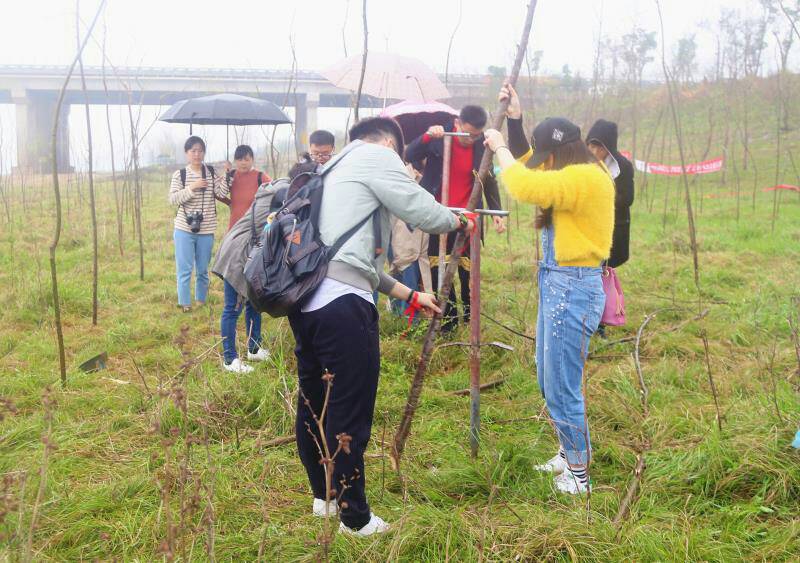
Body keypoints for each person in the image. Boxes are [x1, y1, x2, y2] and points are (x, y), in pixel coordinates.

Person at [289, 117, 476, 536]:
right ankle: (355, 518)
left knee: (315, 403)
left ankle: (325, 498)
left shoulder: (334, 166)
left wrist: (410, 295)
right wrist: (459, 220)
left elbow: (356, 262)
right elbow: (421, 211)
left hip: (308, 303)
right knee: (349, 409)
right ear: (390, 143)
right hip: (343, 305)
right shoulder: (378, 155)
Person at [483, 83, 614, 495]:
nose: (543, 164)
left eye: (547, 156)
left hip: (574, 287)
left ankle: (578, 474)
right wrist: (517, 120)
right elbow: (531, 167)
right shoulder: (572, 172)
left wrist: (499, 147)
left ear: (559, 152)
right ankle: (567, 450)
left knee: (562, 385)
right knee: (548, 376)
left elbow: (525, 184)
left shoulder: (585, 178)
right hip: (558, 283)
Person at [405, 105, 506, 333]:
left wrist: (496, 212)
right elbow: (410, 155)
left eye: (476, 135)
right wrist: (427, 136)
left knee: (467, 271)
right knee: (439, 268)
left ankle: (470, 319)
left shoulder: (482, 145)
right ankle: (447, 321)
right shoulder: (441, 136)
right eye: (468, 133)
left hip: (468, 218)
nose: (471, 139)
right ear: (458, 123)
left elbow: (489, 179)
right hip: (438, 215)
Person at [211, 145, 272, 373]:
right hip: (236, 243)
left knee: (253, 298)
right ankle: (229, 358)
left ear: (252, 159)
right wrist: (226, 175)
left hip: (256, 242)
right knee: (232, 305)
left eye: (247, 159)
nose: (243, 163)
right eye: (239, 159)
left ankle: (253, 347)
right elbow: (218, 193)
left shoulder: (261, 178)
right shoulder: (232, 176)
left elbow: (273, 197)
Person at [168, 136, 229, 312]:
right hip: (184, 228)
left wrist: (226, 175)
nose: (197, 154)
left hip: (206, 228)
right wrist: (192, 187)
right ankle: (185, 304)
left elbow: (221, 193)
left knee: (202, 269)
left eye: (200, 150)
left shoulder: (210, 172)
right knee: (184, 269)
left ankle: (201, 301)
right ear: (186, 153)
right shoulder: (180, 174)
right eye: (193, 150)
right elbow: (172, 199)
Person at [586, 120, 634, 338]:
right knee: (589, 275)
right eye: (591, 145)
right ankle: (587, 319)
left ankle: (599, 324)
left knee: (601, 275)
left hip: (612, 230)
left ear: (609, 147)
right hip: (587, 229)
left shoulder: (622, 166)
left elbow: (627, 198)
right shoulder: (583, 165)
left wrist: (601, 199)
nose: (594, 151)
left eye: (599, 147)